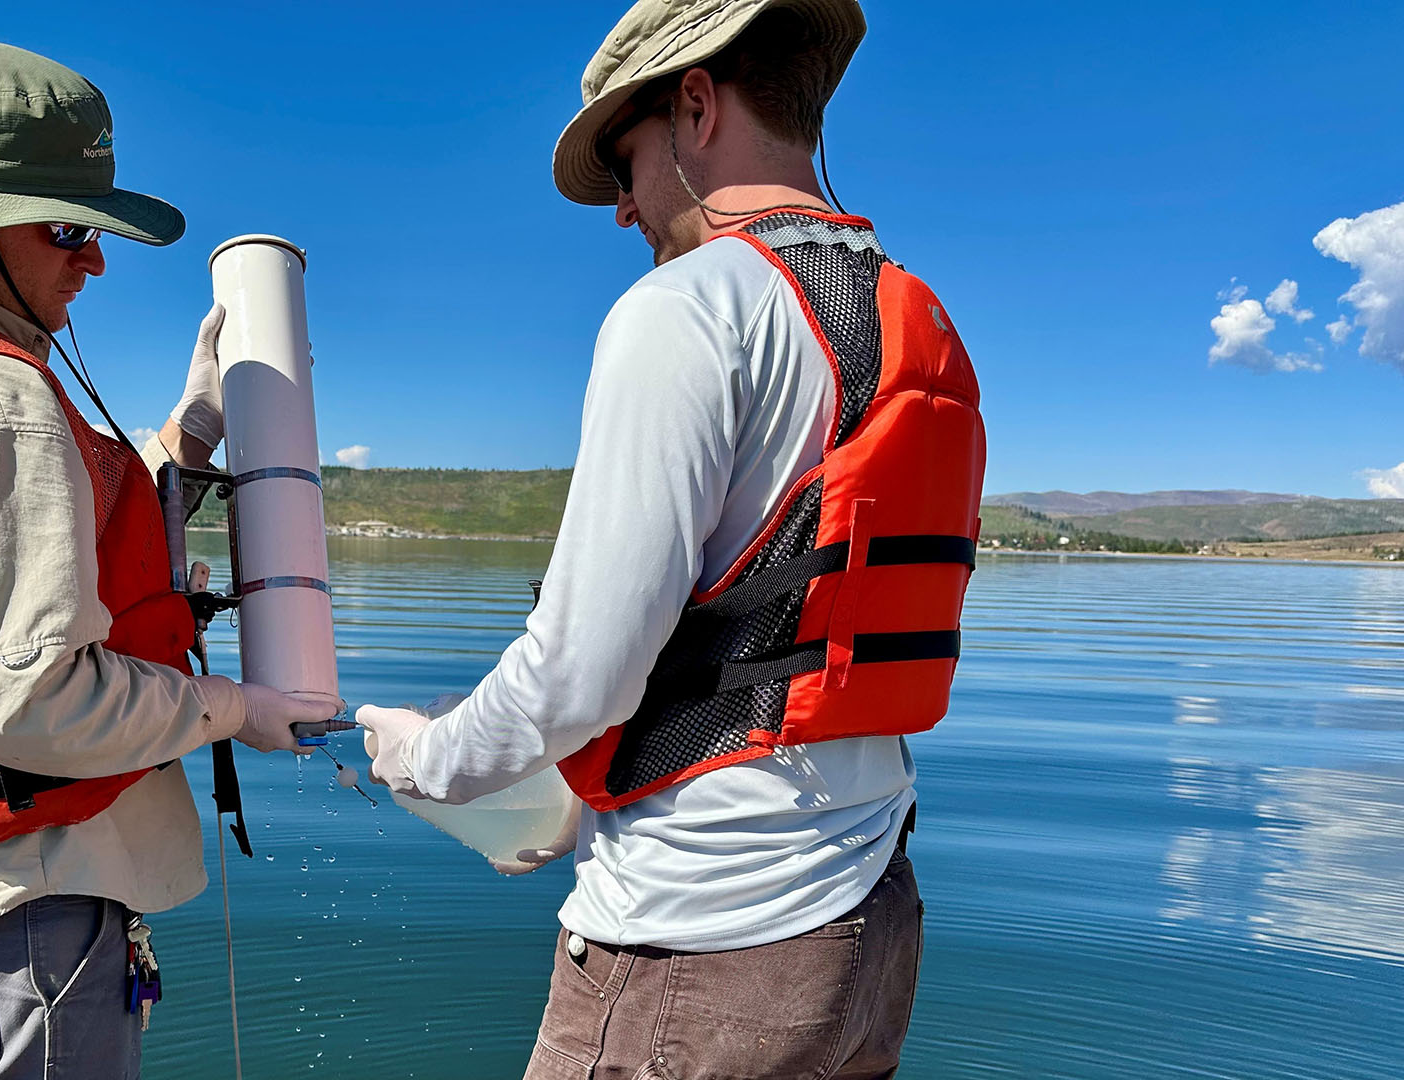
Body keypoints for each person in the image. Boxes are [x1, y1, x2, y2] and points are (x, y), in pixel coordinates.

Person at [356, 2, 985, 1077]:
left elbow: (581, 674)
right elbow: (776, 636)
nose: (623, 213)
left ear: (696, 102)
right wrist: (566, 799)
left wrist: (428, 762)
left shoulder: (688, 307)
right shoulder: (914, 318)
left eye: (628, 160)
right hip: (869, 927)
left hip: (696, 953)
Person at [0, 41, 332, 1079]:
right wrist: (238, 709)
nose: (95, 260)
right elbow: (27, 703)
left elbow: (47, 537)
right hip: (20, 913)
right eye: (70, 227)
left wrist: (193, 431)